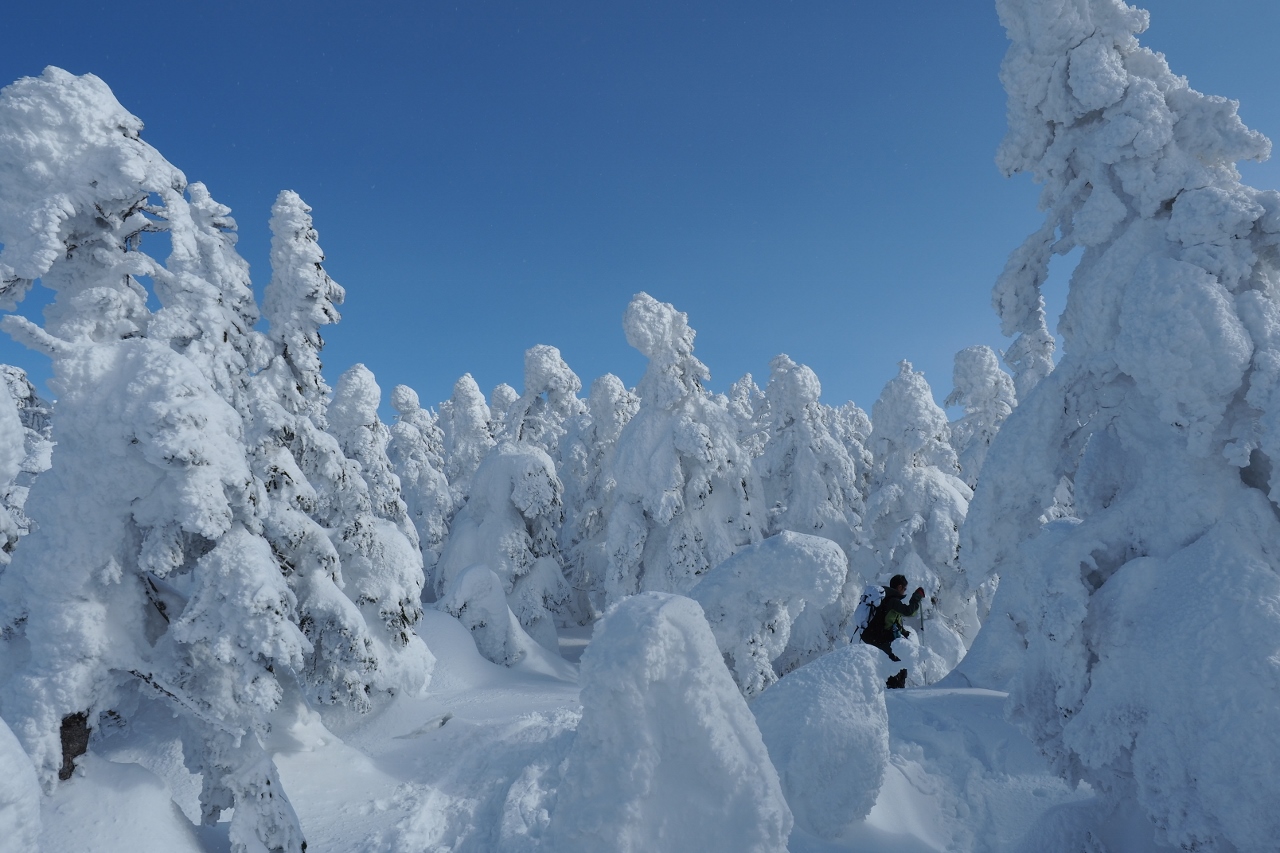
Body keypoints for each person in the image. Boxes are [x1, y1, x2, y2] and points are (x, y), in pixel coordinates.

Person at [860, 574, 926, 689]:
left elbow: (891, 620)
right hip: (883, 639)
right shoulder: (893, 601)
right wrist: (917, 597)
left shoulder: (886, 599)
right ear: (899, 587)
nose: (904, 591)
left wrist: (903, 632)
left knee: (896, 663)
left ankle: (893, 688)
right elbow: (909, 611)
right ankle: (894, 691)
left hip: (877, 638)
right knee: (899, 663)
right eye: (904, 588)